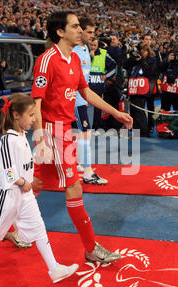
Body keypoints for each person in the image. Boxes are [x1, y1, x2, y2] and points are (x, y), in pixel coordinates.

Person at [31, 11, 133, 263]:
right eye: (75, 26)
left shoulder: (75, 59)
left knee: (37, 184)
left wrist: (116, 113)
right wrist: (40, 138)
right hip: (52, 131)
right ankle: (90, 248)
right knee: (74, 186)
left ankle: (6, 228)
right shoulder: (47, 60)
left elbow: (86, 94)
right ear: (60, 32)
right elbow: (36, 101)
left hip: (66, 128)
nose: (81, 31)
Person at [0, 93, 79, 283]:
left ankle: (54, 268)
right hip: (7, 195)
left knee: (39, 228)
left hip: (24, 194)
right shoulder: (8, 141)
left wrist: (31, 176)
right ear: (16, 115)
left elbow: (22, 164)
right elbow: (8, 173)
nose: (34, 119)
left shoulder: (22, 136)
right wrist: (27, 183)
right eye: (31, 115)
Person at [73, 17, 108, 185]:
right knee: (85, 135)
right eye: (89, 32)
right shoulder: (73, 51)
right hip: (74, 100)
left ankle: (80, 163)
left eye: (93, 32)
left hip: (82, 99)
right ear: (80, 31)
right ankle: (87, 173)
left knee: (81, 135)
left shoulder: (85, 48)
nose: (92, 36)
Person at [124, 43, 157, 137]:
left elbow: (149, 72)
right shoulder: (135, 61)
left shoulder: (152, 60)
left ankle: (143, 133)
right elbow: (125, 65)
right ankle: (136, 132)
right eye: (140, 51)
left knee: (139, 112)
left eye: (144, 52)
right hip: (134, 88)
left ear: (148, 52)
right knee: (134, 111)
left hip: (144, 89)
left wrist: (141, 60)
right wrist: (132, 57)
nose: (142, 53)